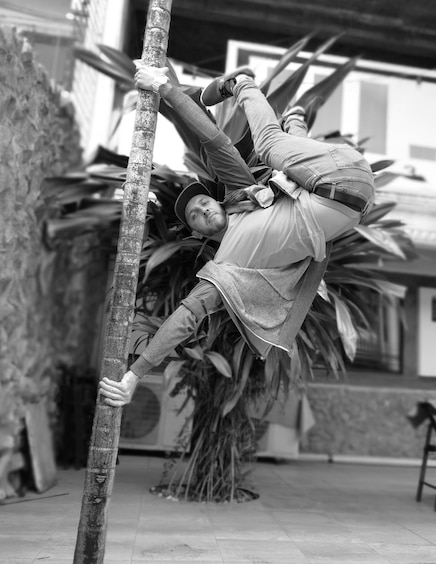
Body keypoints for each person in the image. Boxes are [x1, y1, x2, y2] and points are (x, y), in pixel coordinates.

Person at [99, 63, 375, 407]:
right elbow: (186, 317)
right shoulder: (226, 269)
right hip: (355, 199)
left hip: (338, 173)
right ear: (197, 234)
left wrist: (166, 90)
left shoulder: (245, 193)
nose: (201, 211)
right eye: (195, 217)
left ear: (216, 200)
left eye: (202, 202)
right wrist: (133, 375)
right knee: (282, 155)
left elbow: (213, 140)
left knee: (271, 148)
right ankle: (293, 119)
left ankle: (241, 83)